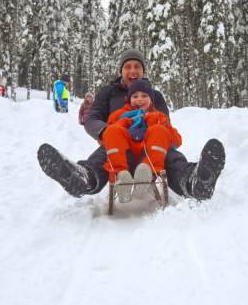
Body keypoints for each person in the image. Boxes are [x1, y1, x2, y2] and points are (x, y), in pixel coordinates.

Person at [38, 48, 226, 201]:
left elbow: (165, 123)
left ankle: (195, 181)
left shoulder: (155, 95)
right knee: (102, 158)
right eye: (128, 66)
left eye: (137, 66)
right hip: (119, 147)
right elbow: (92, 118)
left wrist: (159, 129)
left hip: (152, 148)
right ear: (121, 70)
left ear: (143, 71)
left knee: (172, 157)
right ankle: (81, 178)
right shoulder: (108, 92)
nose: (133, 70)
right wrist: (106, 133)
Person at [102, 79, 182, 202]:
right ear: (129, 99)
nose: (139, 99)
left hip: (148, 157)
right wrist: (126, 120)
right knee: (112, 130)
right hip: (125, 157)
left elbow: (176, 141)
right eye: (135, 96)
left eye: (144, 96)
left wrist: (160, 125)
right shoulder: (119, 115)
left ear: (151, 100)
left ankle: (146, 174)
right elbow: (107, 136)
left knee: (159, 130)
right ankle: (121, 177)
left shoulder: (158, 116)